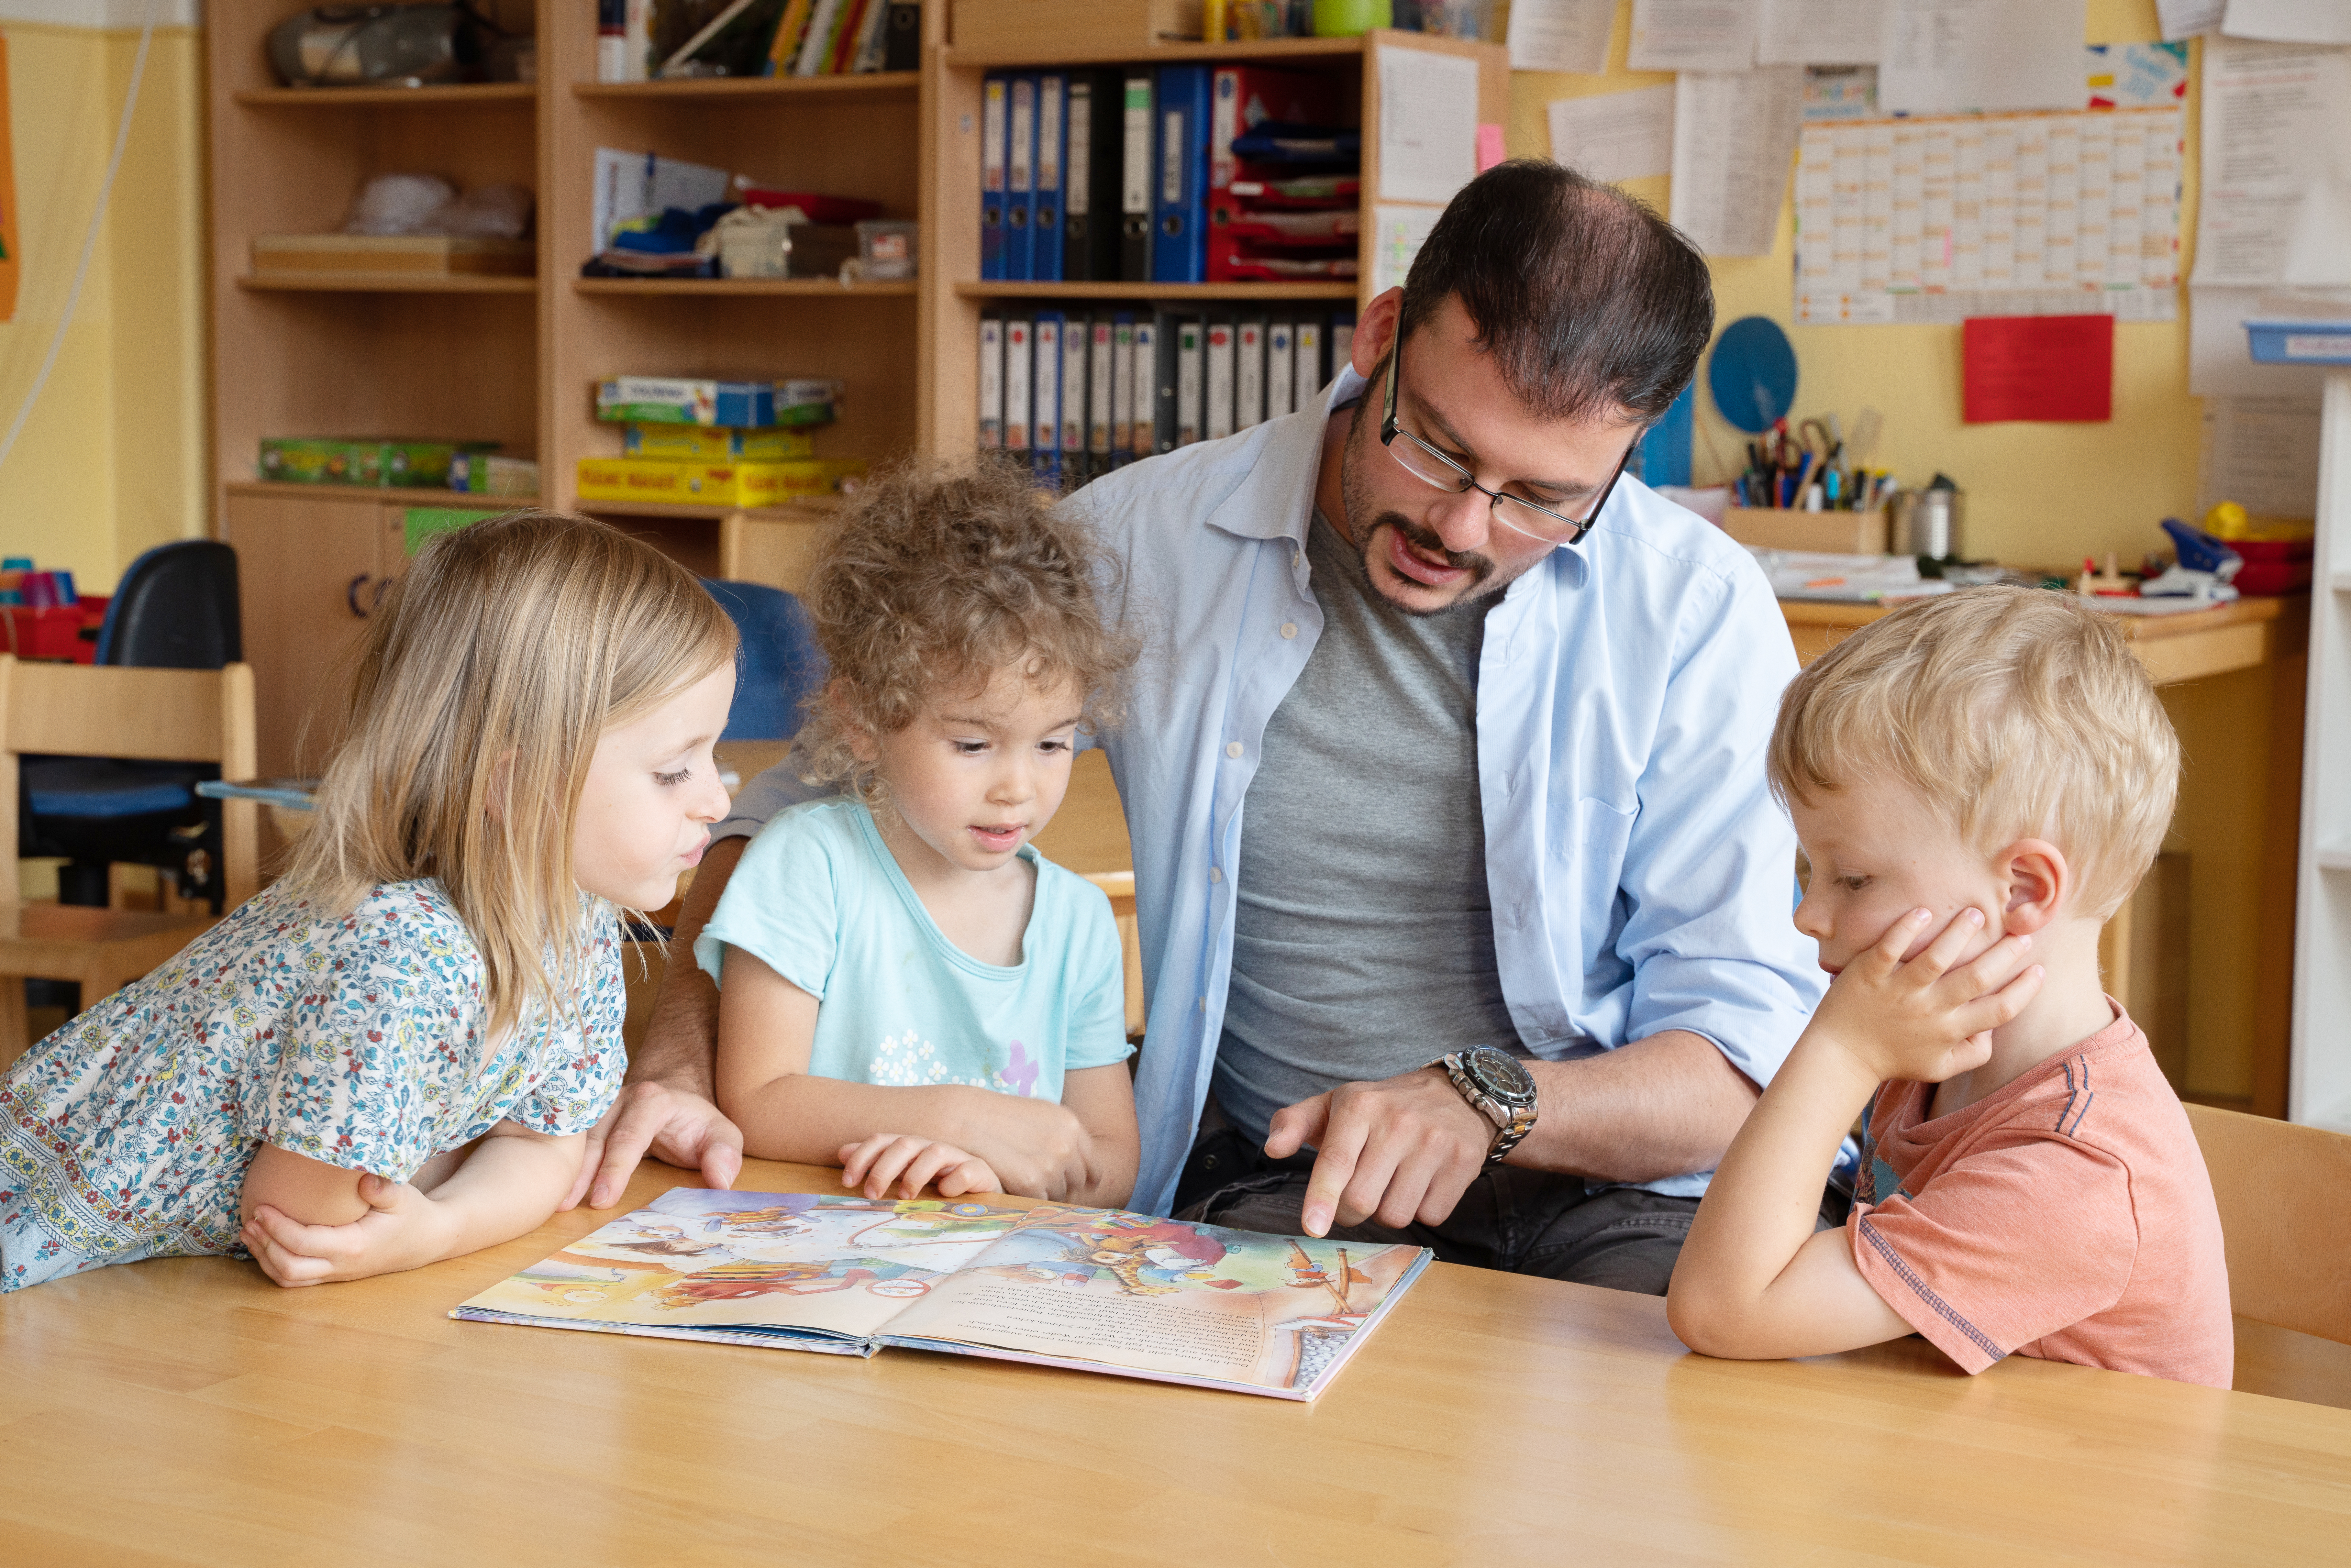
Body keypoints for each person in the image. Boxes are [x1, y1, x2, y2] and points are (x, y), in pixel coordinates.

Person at [608, 160, 1826, 1294]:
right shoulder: (1140, 540)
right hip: (1288, 1186)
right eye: (1438, 448)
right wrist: (673, 1059)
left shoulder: (1695, 615)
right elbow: (794, 807)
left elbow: (1745, 1061)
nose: (1462, 527)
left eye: (1543, 500)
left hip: (1615, 1199)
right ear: (1381, 338)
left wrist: (1489, 1100)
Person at [0, 513, 737, 1291]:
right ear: (514, 785)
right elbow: (297, 1225)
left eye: (712, 756)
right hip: (35, 1250)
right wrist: (451, 1178)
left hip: (128, 1284)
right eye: (674, 770)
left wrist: (441, 1227)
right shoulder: (403, 954)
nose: (718, 801)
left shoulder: (578, 916)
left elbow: (548, 1147)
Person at [1667, 588, 2233, 1387]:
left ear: (2025, 891)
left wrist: (1840, 1047)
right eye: (1807, 871)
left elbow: (1723, 1308)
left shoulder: (2075, 1169)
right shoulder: (1930, 1052)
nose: (1808, 915)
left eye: (1854, 878)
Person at [704, 459, 1141, 1207]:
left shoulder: (1078, 921)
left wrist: (1000, 1177)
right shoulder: (807, 865)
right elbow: (756, 1098)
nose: (1019, 787)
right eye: (973, 745)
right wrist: (957, 1118)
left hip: (993, 1273)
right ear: (863, 720)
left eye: (1053, 743)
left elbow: (1110, 1160)